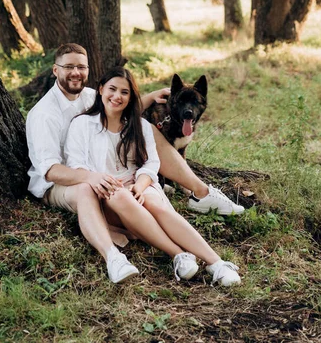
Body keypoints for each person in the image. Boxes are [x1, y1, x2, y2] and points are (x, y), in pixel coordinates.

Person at [26, 43, 243, 283]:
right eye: (68, 67)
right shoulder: (50, 115)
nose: (75, 72)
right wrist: (95, 178)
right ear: (55, 70)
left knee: (152, 201)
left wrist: (139, 184)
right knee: (111, 193)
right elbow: (52, 171)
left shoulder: (103, 104)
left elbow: (148, 159)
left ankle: (215, 257)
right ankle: (174, 254)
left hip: (128, 181)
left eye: (81, 67)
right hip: (71, 182)